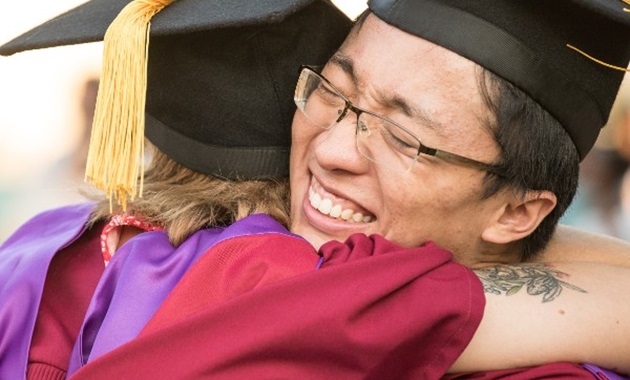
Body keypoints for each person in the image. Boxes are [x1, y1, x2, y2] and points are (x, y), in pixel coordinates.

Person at [1, 0, 630, 379]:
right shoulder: (231, 276)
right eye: (333, 91)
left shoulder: (52, 246)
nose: (328, 150)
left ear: (519, 210)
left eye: (406, 138)